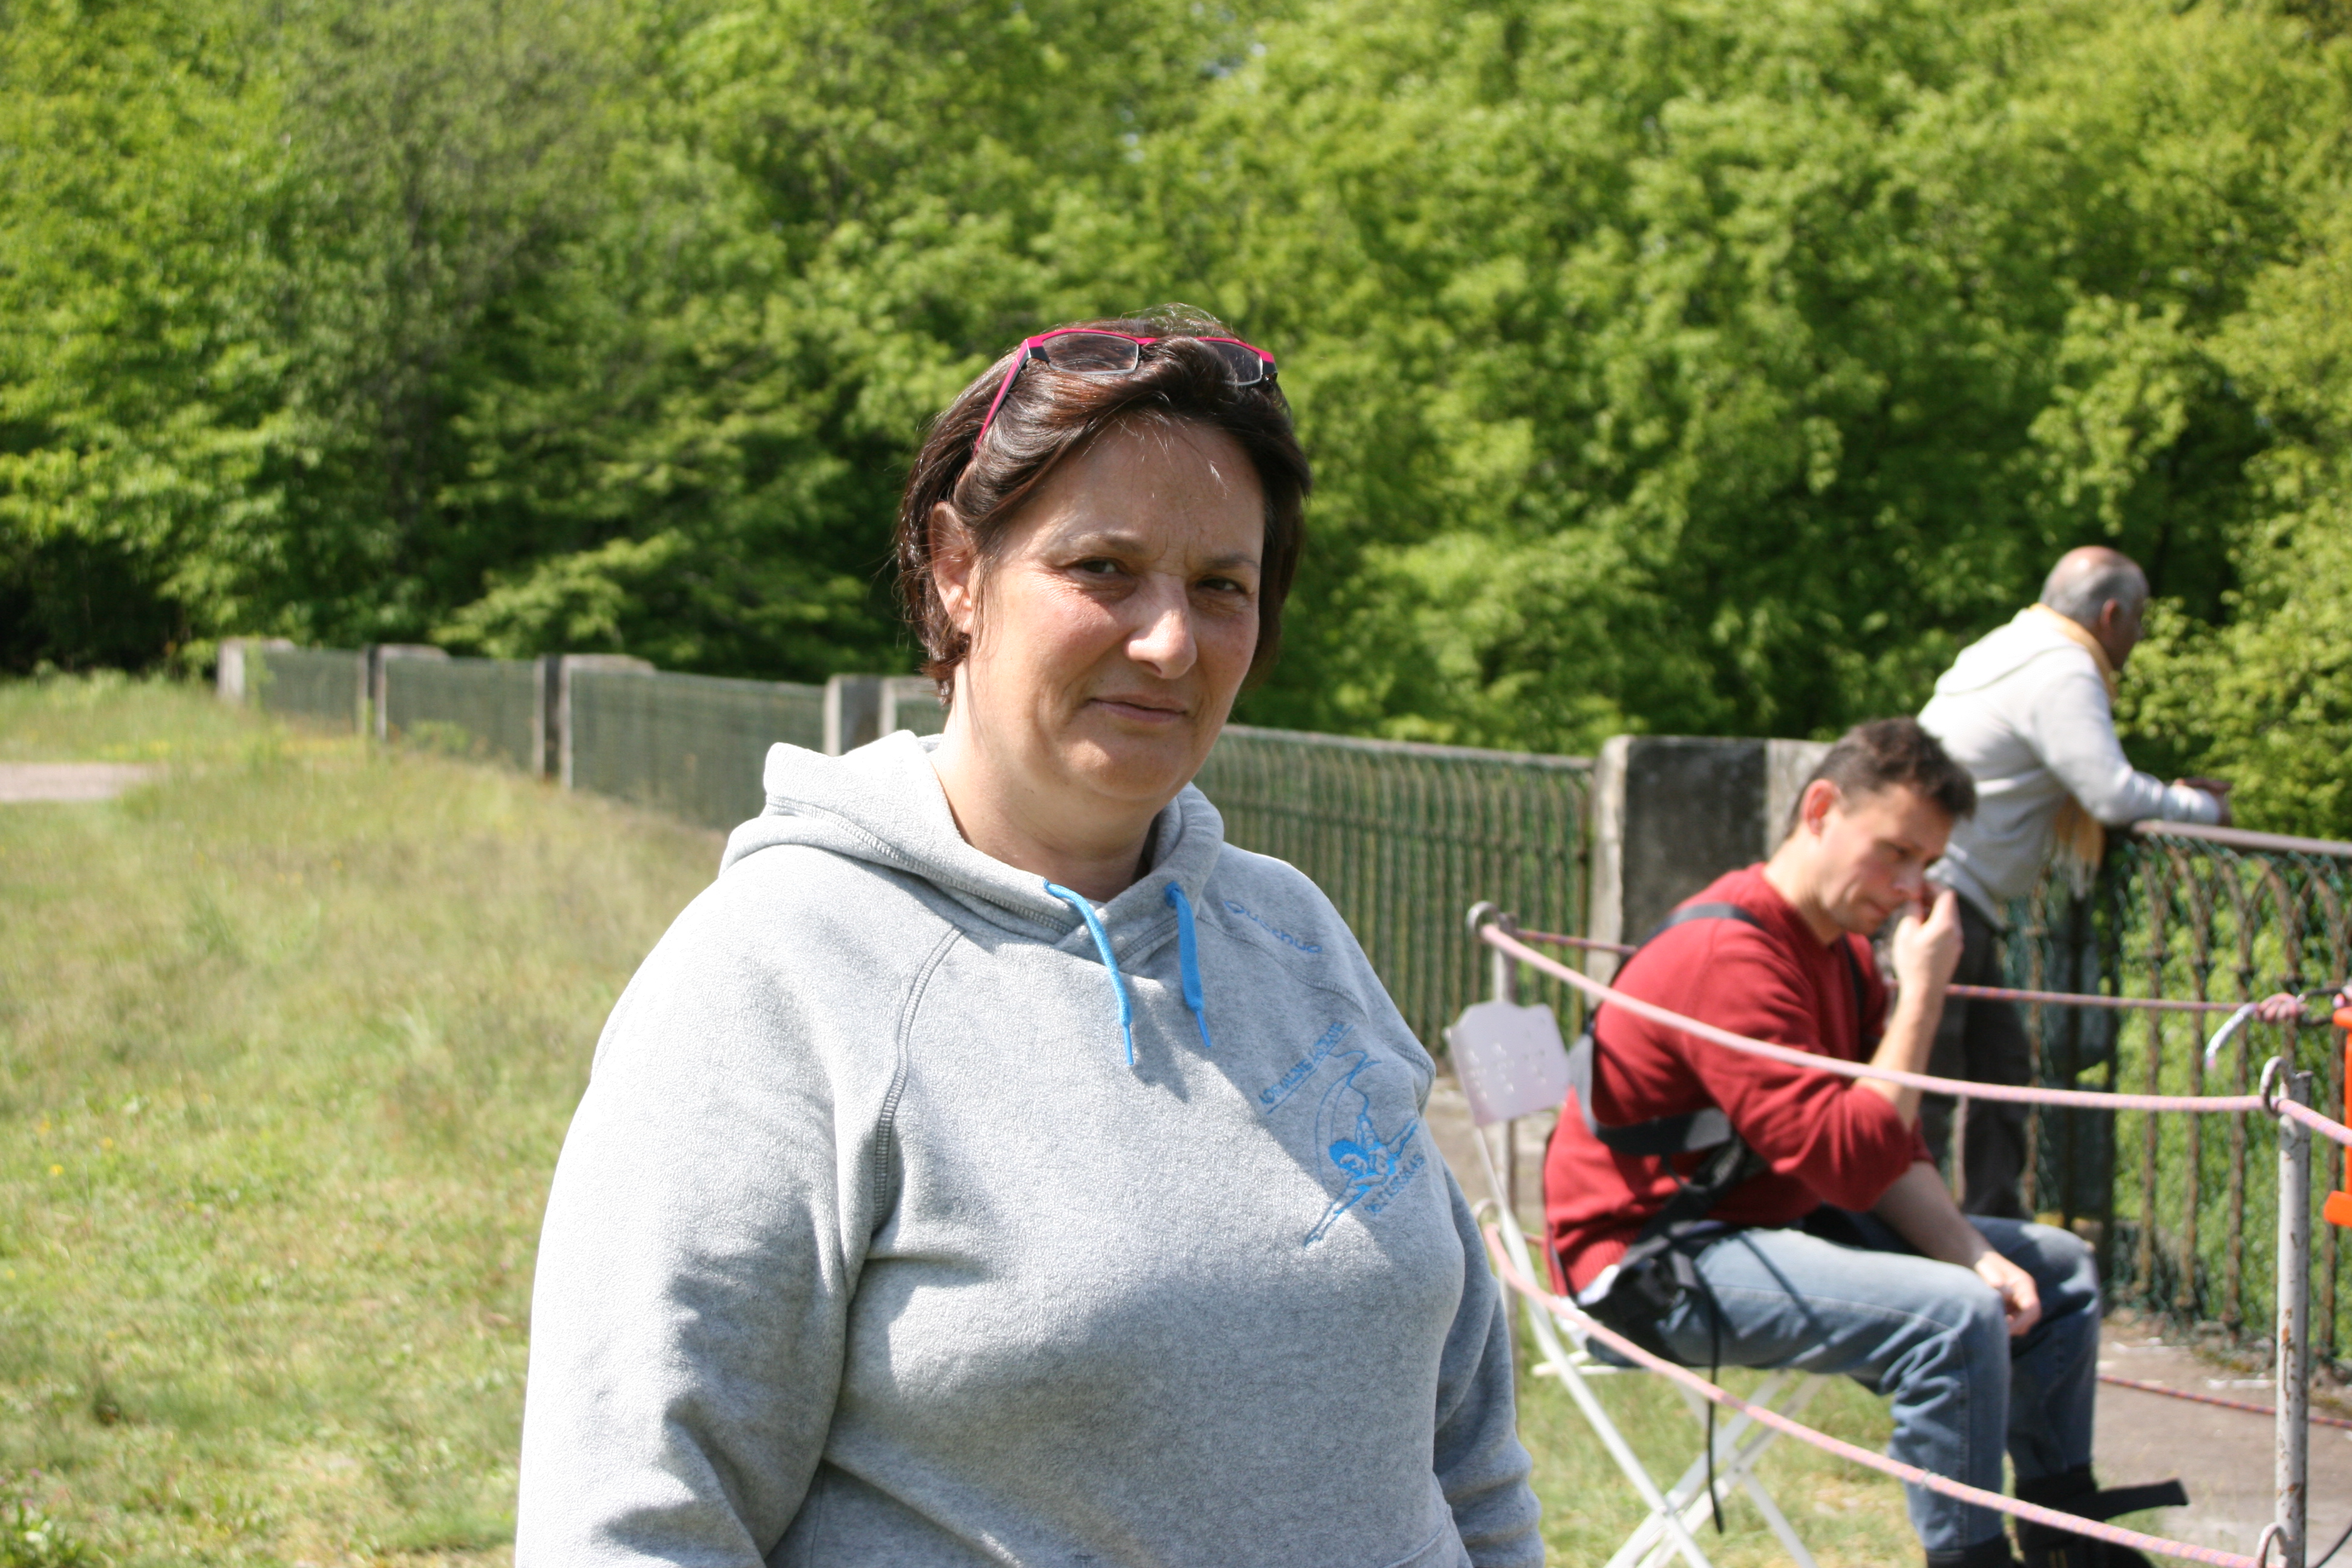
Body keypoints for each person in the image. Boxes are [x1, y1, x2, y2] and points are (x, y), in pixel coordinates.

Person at [515, 309, 1542, 1566]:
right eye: (1103, 569)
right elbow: (637, 1524)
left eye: (1222, 586)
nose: (1170, 641)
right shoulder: (777, 977)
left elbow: (1467, 1446)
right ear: (958, 567)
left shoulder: (1296, 938)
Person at [1544, 719, 2176, 1568]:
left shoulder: (1837, 953)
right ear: (1819, 810)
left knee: (2054, 1270)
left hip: (1768, 1222)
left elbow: (1889, 1150)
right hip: (1649, 1261)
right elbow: (1849, 1158)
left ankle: (2067, 1540)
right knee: (1950, 1319)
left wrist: (1973, 1252)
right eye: (1895, 854)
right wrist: (1922, 995)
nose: (1910, 888)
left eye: (1929, 866)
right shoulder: (1730, 954)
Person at [1917, 547, 2231, 1218]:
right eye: (2139, 620)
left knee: (1997, 1069)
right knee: (1935, 1086)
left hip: (1946, 890)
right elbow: (2112, 794)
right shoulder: (2063, 668)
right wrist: (2203, 808)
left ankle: (1990, 1230)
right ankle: (1921, 1241)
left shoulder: (2007, 645)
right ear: (2110, 614)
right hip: (1943, 899)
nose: (2139, 638)